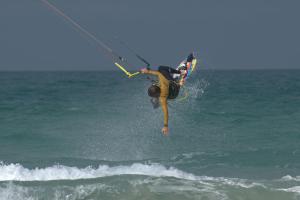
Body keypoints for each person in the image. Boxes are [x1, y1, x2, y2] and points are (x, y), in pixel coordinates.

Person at [140, 53, 194, 135]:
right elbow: (158, 73)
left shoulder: (163, 98)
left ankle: (179, 74)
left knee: (156, 102)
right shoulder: (162, 83)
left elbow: (165, 112)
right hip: (172, 88)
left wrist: (165, 126)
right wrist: (148, 71)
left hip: (173, 93)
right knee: (161, 68)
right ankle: (179, 72)